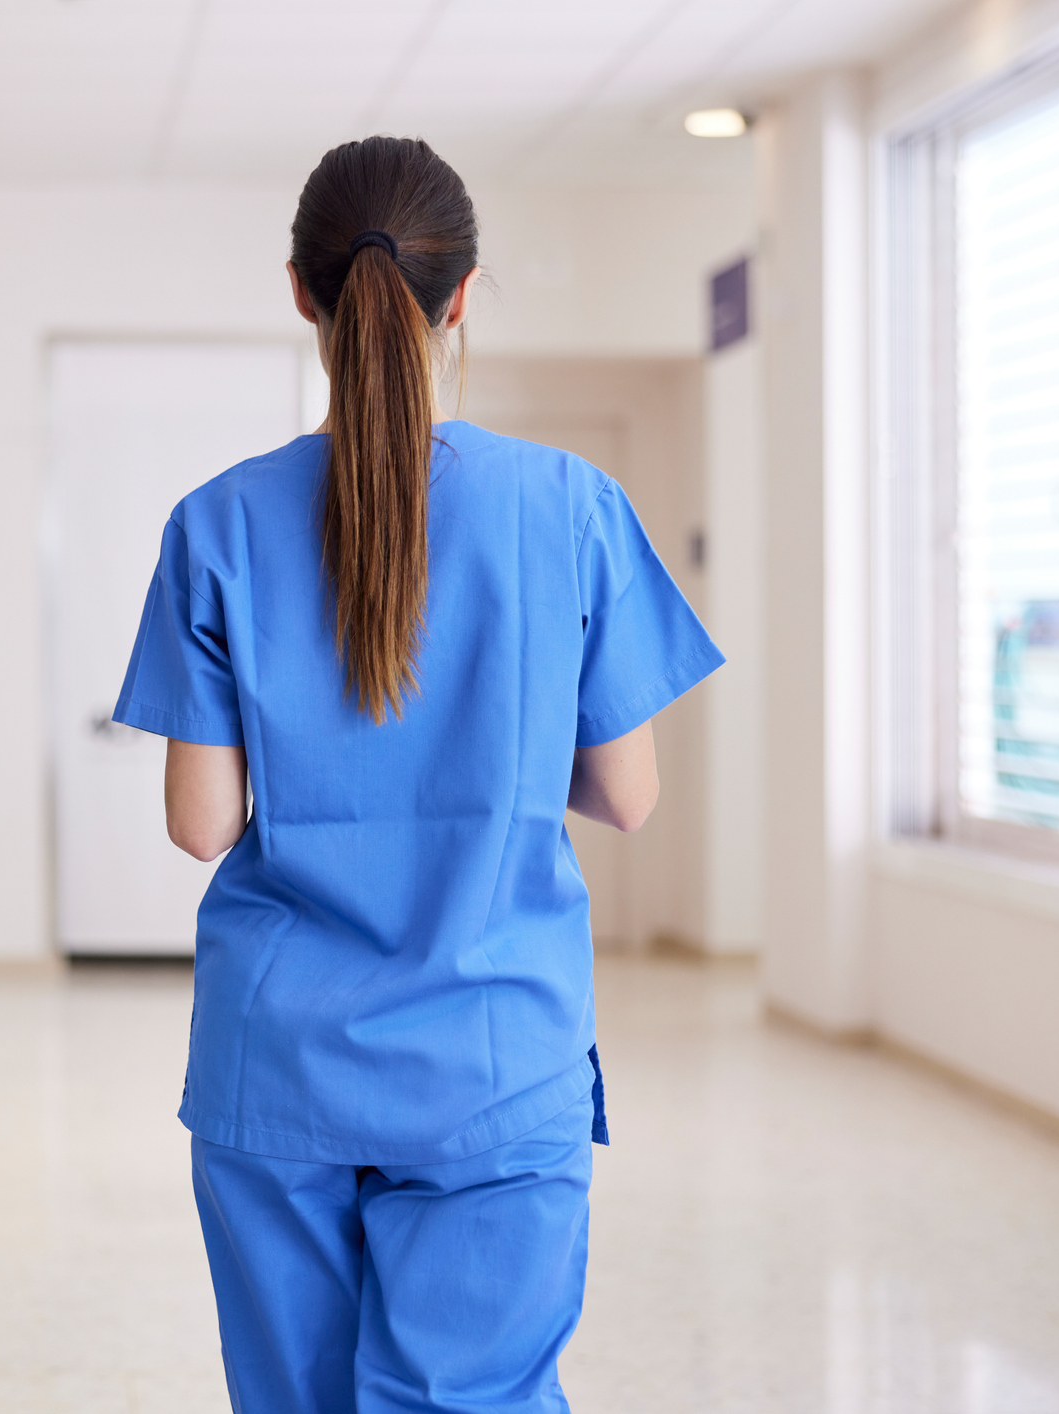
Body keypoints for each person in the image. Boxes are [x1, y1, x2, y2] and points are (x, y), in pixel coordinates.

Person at [112, 136, 723, 1414]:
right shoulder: (569, 507)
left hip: (279, 1067)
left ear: (300, 292)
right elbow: (625, 793)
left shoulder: (216, 521)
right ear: (462, 294)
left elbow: (198, 821)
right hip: (493, 1062)